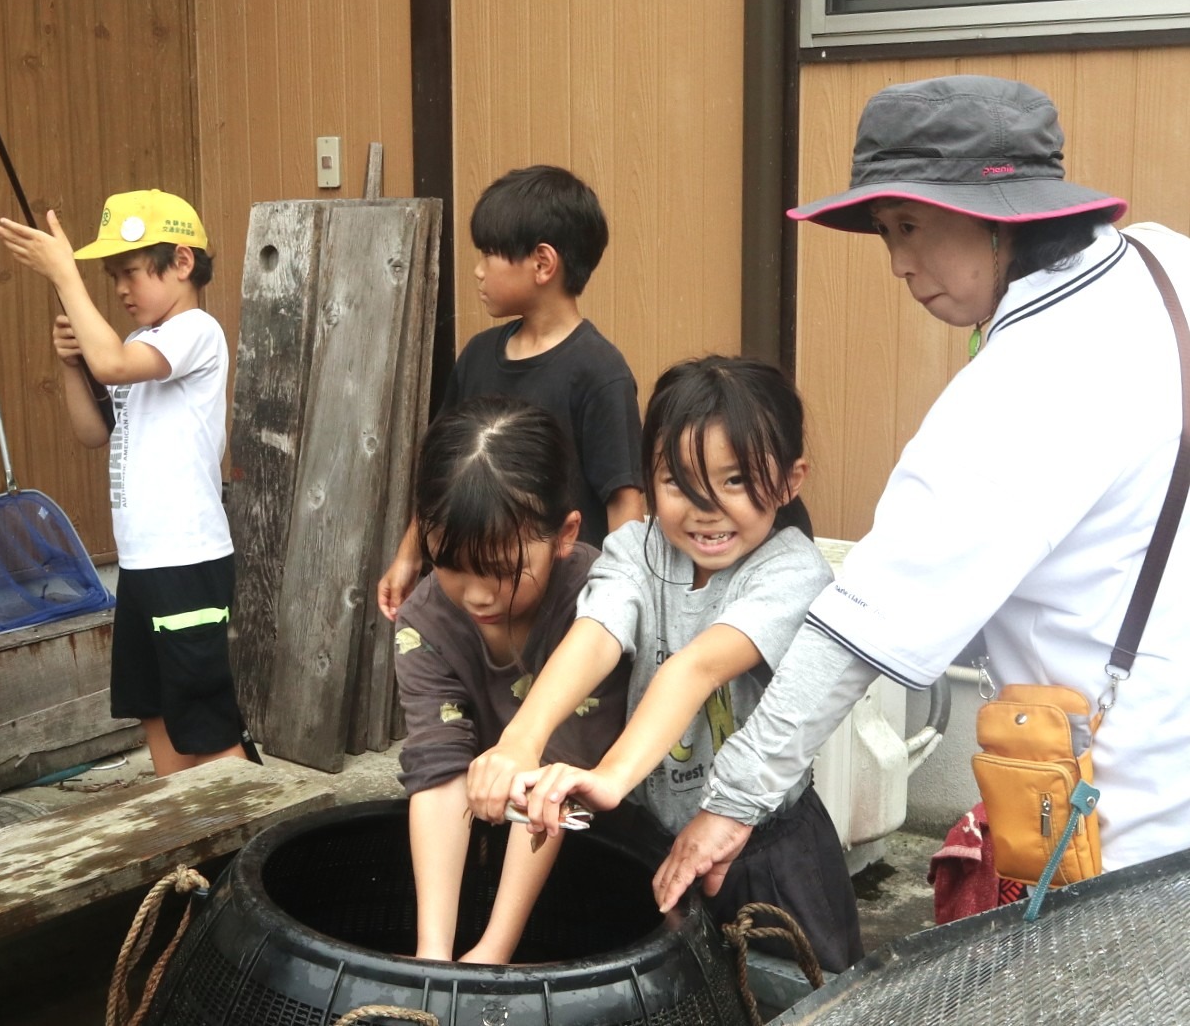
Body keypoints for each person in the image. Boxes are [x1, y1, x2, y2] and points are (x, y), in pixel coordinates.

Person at [653, 74, 1190, 914]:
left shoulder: (1022, 385)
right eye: (883, 232)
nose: (898, 264)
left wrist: (730, 804)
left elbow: (861, 625)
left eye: (908, 226)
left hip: (1124, 822)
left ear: (996, 212)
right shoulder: (1164, 263)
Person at [467, 356, 863, 971]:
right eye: (679, 482)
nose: (705, 509)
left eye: (734, 481)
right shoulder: (635, 550)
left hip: (768, 851)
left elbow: (695, 667)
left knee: (794, 999)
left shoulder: (792, 572)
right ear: (648, 475)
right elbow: (598, 632)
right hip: (651, 839)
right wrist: (521, 741)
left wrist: (609, 778)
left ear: (790, 480)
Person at [0, 190, 250, 778]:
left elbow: (109, 365)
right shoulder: (138, 344)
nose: (121, 289)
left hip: (187, 559)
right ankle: (183, 838)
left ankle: (238, 849)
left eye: (130, 272)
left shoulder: (196, 330)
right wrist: (68, 365)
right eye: (111, 277)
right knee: (153, 707)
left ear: (181, 262)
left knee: (203, 717)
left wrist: (65, 276)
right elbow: (93, 431)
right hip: (141, 562)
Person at [394, 395, 629, 964]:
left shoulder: (598, 608)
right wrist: (434, 956)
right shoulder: (424, 623)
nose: (475, 594)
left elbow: (557, 780)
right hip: (508, 829)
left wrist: (493, 951)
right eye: (449, 564)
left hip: (611, 842)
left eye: (499, 571)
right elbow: (439, 770)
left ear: (565, 534)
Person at [377, 165, 644, 621]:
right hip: (478, 595)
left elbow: (626, 502)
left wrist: (622, 606)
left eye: (489, 255)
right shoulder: (479, 355)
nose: (478, 272)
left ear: (543, 263)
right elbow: (446, 477)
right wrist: (410, 553)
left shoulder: (600, 372)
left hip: (564, 605)